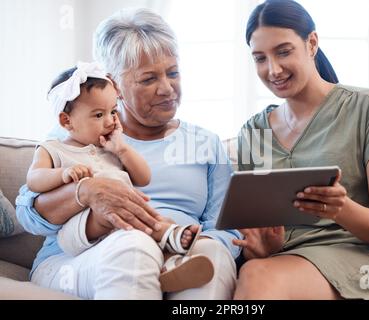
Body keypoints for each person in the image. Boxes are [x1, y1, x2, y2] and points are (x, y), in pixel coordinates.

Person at [16, 8, 241, 300]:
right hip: (77, 259)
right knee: (135, 248)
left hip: (177, 253)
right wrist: (84, 191)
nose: (166, 88)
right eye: (148, 79)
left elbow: (227, 228)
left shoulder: (205, 143)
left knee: (212, 253)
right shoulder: (74, 137)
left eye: (173, 73)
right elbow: (28, 214)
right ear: (115, 83)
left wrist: (180, 246)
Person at [233, 0, 369, 300]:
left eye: (283, 52)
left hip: (357, 261)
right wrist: (263, 249)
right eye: (260, 58)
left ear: (311, 43)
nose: (272, 69)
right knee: (255, 270)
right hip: (283, 264)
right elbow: (259, 235)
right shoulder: (253, 132)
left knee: (257, 276)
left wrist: (342, 209)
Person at [25, 61, 214, 292]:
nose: (110, 121)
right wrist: (63, 174)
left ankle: (169, 264)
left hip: (121, 230)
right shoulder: (53, 149)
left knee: (149, 219)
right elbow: (34, 179)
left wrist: (122, 149)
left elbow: (143, 178)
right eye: (98, 114)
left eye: (113, 111)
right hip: (78, 231)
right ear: (67, 121)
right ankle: (169, 241)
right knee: (126, 216)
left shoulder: (111, 150)